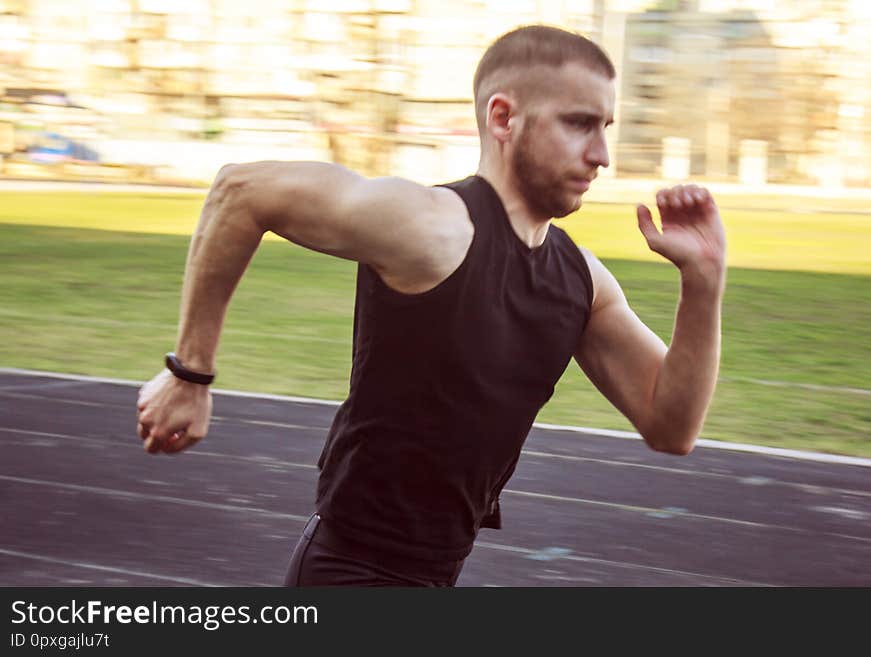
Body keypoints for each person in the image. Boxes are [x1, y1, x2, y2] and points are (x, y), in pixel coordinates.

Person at [136, 24, 726, 587]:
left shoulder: (580, 280)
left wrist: (703, 279)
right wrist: (189, 372)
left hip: (437, 573)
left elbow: (671, 425)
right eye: (578, 124)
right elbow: (240, 190)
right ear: (503, 118)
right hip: (354, 573)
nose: (601, 153)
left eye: (605, 127)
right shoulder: (432, 226)